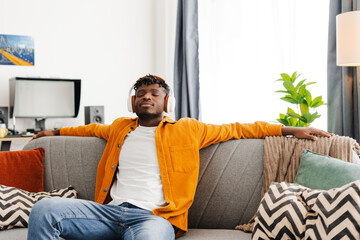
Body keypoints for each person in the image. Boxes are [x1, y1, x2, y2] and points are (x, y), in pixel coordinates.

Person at [27, 74, 332, 240]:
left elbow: (240, 128)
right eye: (142, 93)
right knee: (45, 210)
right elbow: (91, 129)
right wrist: (53, 133)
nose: (147, 96)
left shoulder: (189, 129)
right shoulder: (120, 128)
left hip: (154, 219)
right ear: (133, 101)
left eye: (154, 93)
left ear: (166, 101)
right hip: (108, 214)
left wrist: (291, 129)